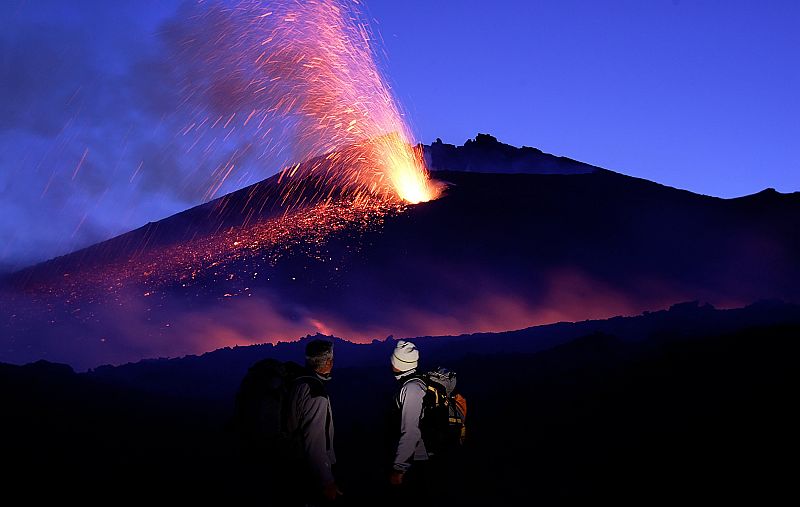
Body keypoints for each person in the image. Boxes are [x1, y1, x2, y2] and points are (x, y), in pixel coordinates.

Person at [285, 339, 342, 505]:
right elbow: (315, 442)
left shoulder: (299, 382)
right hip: (309, 471)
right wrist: (327, 481)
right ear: (329, 362)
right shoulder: (316, 394)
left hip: (294, 463)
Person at [388, 340, 431, 499]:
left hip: (418, 459)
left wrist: (399, 468)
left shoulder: (411, 389)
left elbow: (410, 431)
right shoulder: (418, 380)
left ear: (398, 363)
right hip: (419, 457)